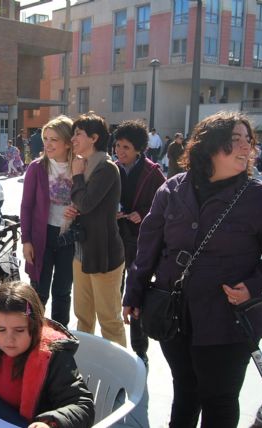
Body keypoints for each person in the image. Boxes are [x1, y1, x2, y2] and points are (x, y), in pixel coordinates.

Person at [123, 111, 262, 428]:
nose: (246, 147)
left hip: (229, 322)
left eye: (249, 141)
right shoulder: (172, 190)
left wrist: (254, 285)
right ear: (210, 145)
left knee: (219, 402)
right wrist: (134, 293)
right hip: (174, 317)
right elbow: (148, 247)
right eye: (236, 140)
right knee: (185, 393)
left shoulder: (261, 199)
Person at [0, 281, 95, 428]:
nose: (9, 338)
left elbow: (83, 406)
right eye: (1, 329)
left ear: (35, 327)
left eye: (19, 330)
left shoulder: (54, 357)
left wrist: (52, 423)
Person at [70, 112, 127, 347]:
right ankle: (87, 365)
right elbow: (82, 207)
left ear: (94, 138)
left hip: (104, 255)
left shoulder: (105, 167)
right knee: (83, 317)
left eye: (78, 134)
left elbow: (85, 203)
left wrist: (76, 176)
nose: (73, 139)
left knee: (109, 319)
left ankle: (123, 375)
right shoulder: (84, 165)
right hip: (81, 253)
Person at [113, 120, 166, 366]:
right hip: (115, 236)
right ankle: (115, 343)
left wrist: (141, 213)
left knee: (136, 292)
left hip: (140, 240)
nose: (120, 152)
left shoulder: (153, 172)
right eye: (117, 146)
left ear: (139, 149)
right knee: (114, 291)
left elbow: (163, 206)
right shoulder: (112, 168)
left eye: (126, 147)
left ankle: (139, 349)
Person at [20, 115, 75, 328]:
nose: (47, 144)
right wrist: (26, 241)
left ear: (68, 142)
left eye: (54, 139)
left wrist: (78, 210)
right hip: (42, 236)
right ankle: (34, 336)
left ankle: (60, 340)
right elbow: (26, 206)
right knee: (38, 292)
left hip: (68, 237)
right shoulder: (37, 167)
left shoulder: (79, 166)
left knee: (62, 292)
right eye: (46, 138)